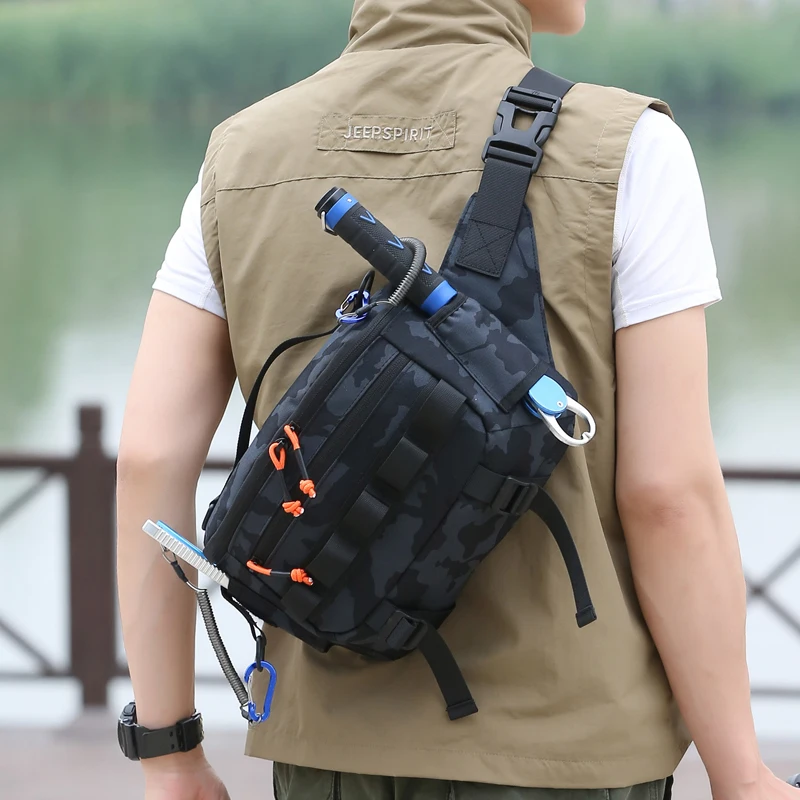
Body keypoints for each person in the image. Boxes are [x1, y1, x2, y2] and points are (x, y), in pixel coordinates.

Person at [115, 1, 800, 799]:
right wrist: (740, 774)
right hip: (566, 753)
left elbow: (150, 461)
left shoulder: (240, 154)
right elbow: (668, 497)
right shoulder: (629, 148)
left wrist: (170, 756)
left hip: (328, 753)